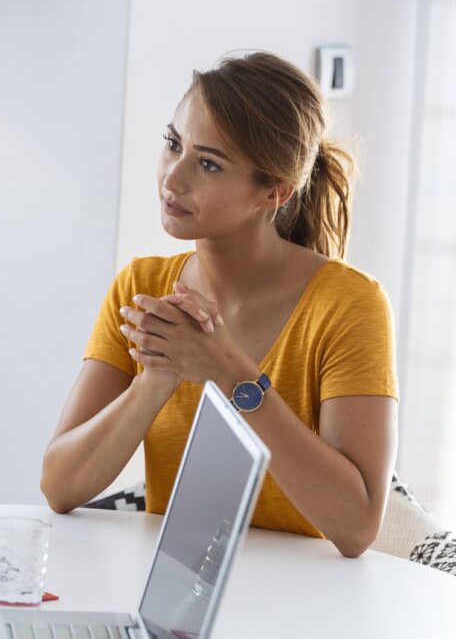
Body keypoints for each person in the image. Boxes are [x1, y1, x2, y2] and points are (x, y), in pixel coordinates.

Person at [40, 52, 398, 558]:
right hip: (176, 588)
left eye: (208, 163)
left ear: (274, 191)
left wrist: (229, 374)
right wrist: (157, 378)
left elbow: (357, 526)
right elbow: (60, 486)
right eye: (173, 144)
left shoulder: (348, 304)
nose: (172, 178)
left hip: (307, 603)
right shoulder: (141, 286)